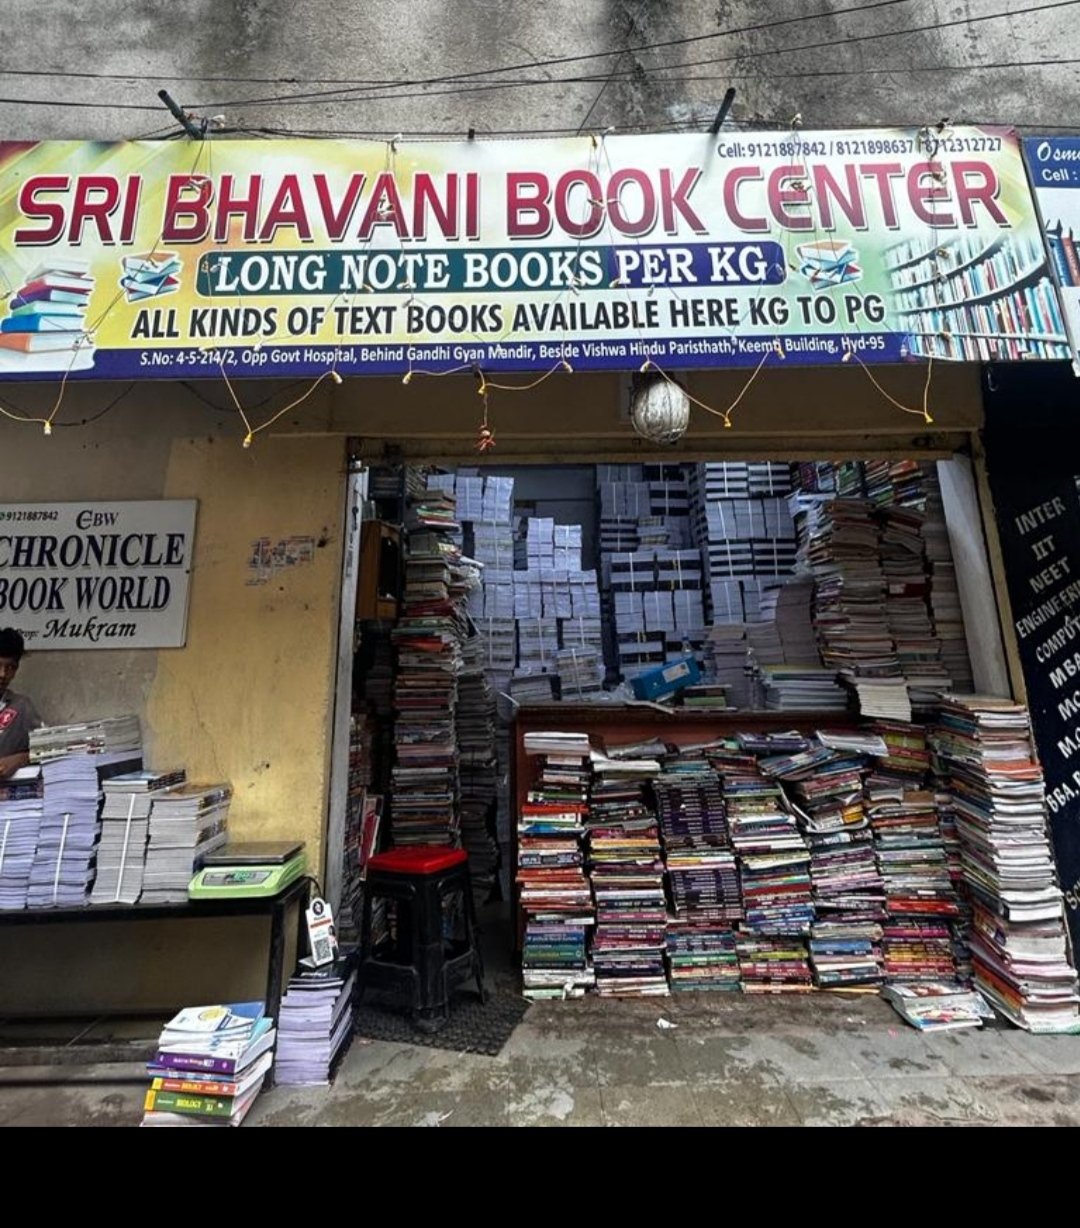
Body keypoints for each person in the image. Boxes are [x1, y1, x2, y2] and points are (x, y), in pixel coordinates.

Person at [0, 628, 42, 780]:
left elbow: (50, 750)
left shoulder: (21, 707)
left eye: (10, 667)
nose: (3, 674)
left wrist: (20, 759)